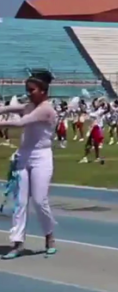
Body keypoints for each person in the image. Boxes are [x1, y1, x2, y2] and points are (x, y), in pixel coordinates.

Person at [0, 71, 59, 260]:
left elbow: (20, 123)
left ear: (43, 91)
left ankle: (49, 235)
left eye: (31, 90)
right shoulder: (30, 105)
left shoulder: (45, 109)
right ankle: (17, 243)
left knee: (40, 200)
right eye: (27, 90)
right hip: (24, 155)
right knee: (20, 202)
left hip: (42, 157)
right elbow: (12, 109)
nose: (28, 93)